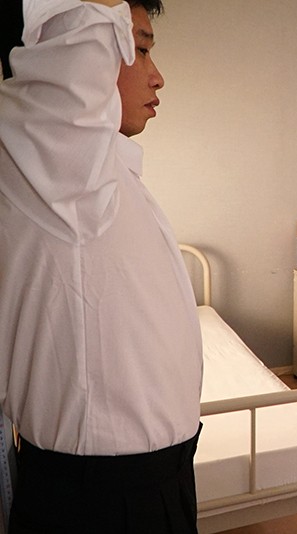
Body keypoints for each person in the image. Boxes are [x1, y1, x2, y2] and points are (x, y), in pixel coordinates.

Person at [0, 0, 204, 532]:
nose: (158, 77)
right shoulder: (62, 168)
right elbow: (81, 24)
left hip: (149, 481)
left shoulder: (95, 178)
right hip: (106, 499)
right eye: (138, 48)